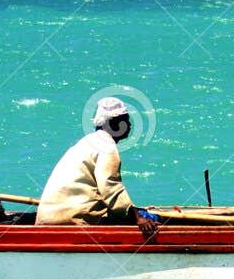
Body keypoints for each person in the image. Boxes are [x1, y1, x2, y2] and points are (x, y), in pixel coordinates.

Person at [36, 95, 160, 238]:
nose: (130, 125)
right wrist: (138, 218)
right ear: (114, 123)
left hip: (46, 218)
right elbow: (110, 187)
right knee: (153, 218)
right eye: (125, 120)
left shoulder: (86, 142)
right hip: (70, 222)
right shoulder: (106, 146)